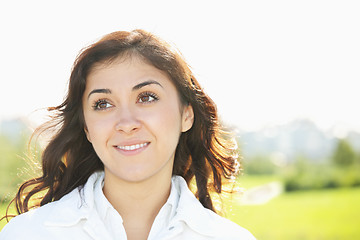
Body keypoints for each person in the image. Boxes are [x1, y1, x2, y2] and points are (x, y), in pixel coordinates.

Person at [0, 29, 255, 240]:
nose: (126, 123)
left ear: (186, 115)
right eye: (103, 103)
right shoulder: (27, 234)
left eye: (146, 97)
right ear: (87, 128)